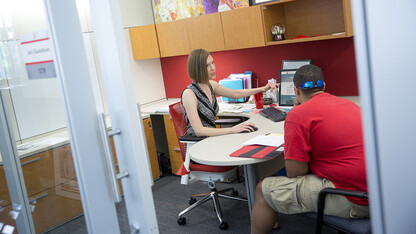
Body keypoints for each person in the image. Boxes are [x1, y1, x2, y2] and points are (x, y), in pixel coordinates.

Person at [250, 64, 369, 233]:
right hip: (380, 192)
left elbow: (294, 173)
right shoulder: (349, 104)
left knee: (262, 189)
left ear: (296, 91)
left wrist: (297, 114)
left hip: (355, 199)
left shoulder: (298, 115)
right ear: (324, 86)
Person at [182, 48, 277, 137]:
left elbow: (236, 94)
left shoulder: (210, 85)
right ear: (198, 69)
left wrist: (263, 89)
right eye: (207, 65)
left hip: (211, 139)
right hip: (198, 144)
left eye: (212, 63)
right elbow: (199, 131)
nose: (213, 68)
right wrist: (233, 129)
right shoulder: (189, 94)